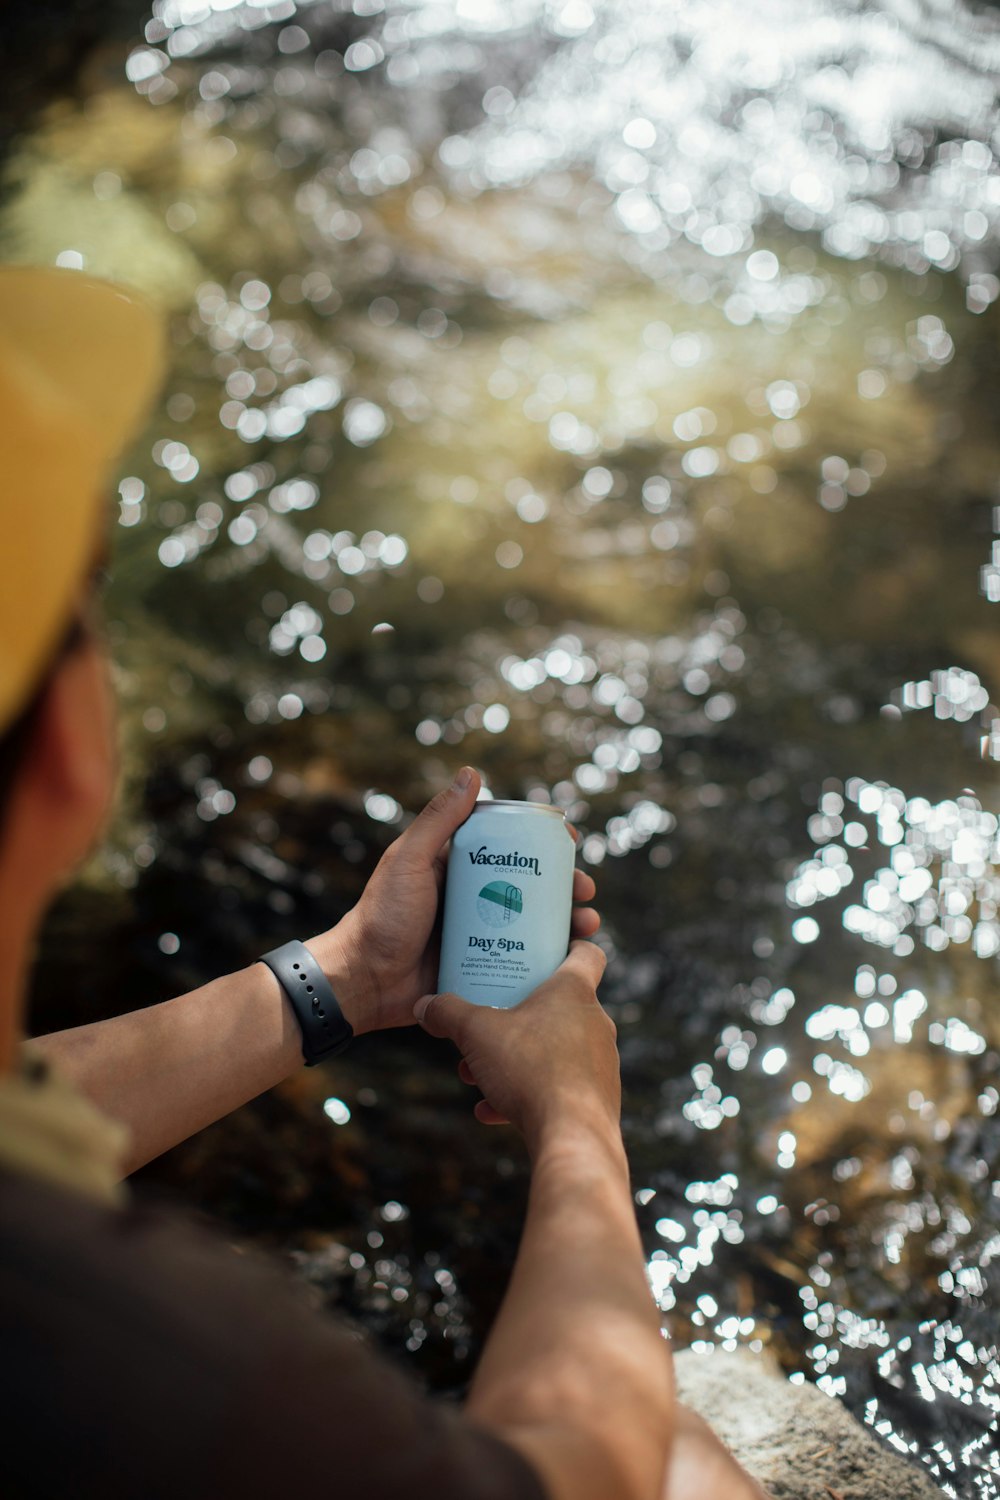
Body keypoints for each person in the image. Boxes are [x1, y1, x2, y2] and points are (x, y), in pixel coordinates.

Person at [0, 266, 765, 1499]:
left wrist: (346, 976)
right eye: (79, 614)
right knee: (682, 1466)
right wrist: (580, 1124)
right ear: (70, 750)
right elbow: (577, 1473)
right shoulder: (156, 1350)